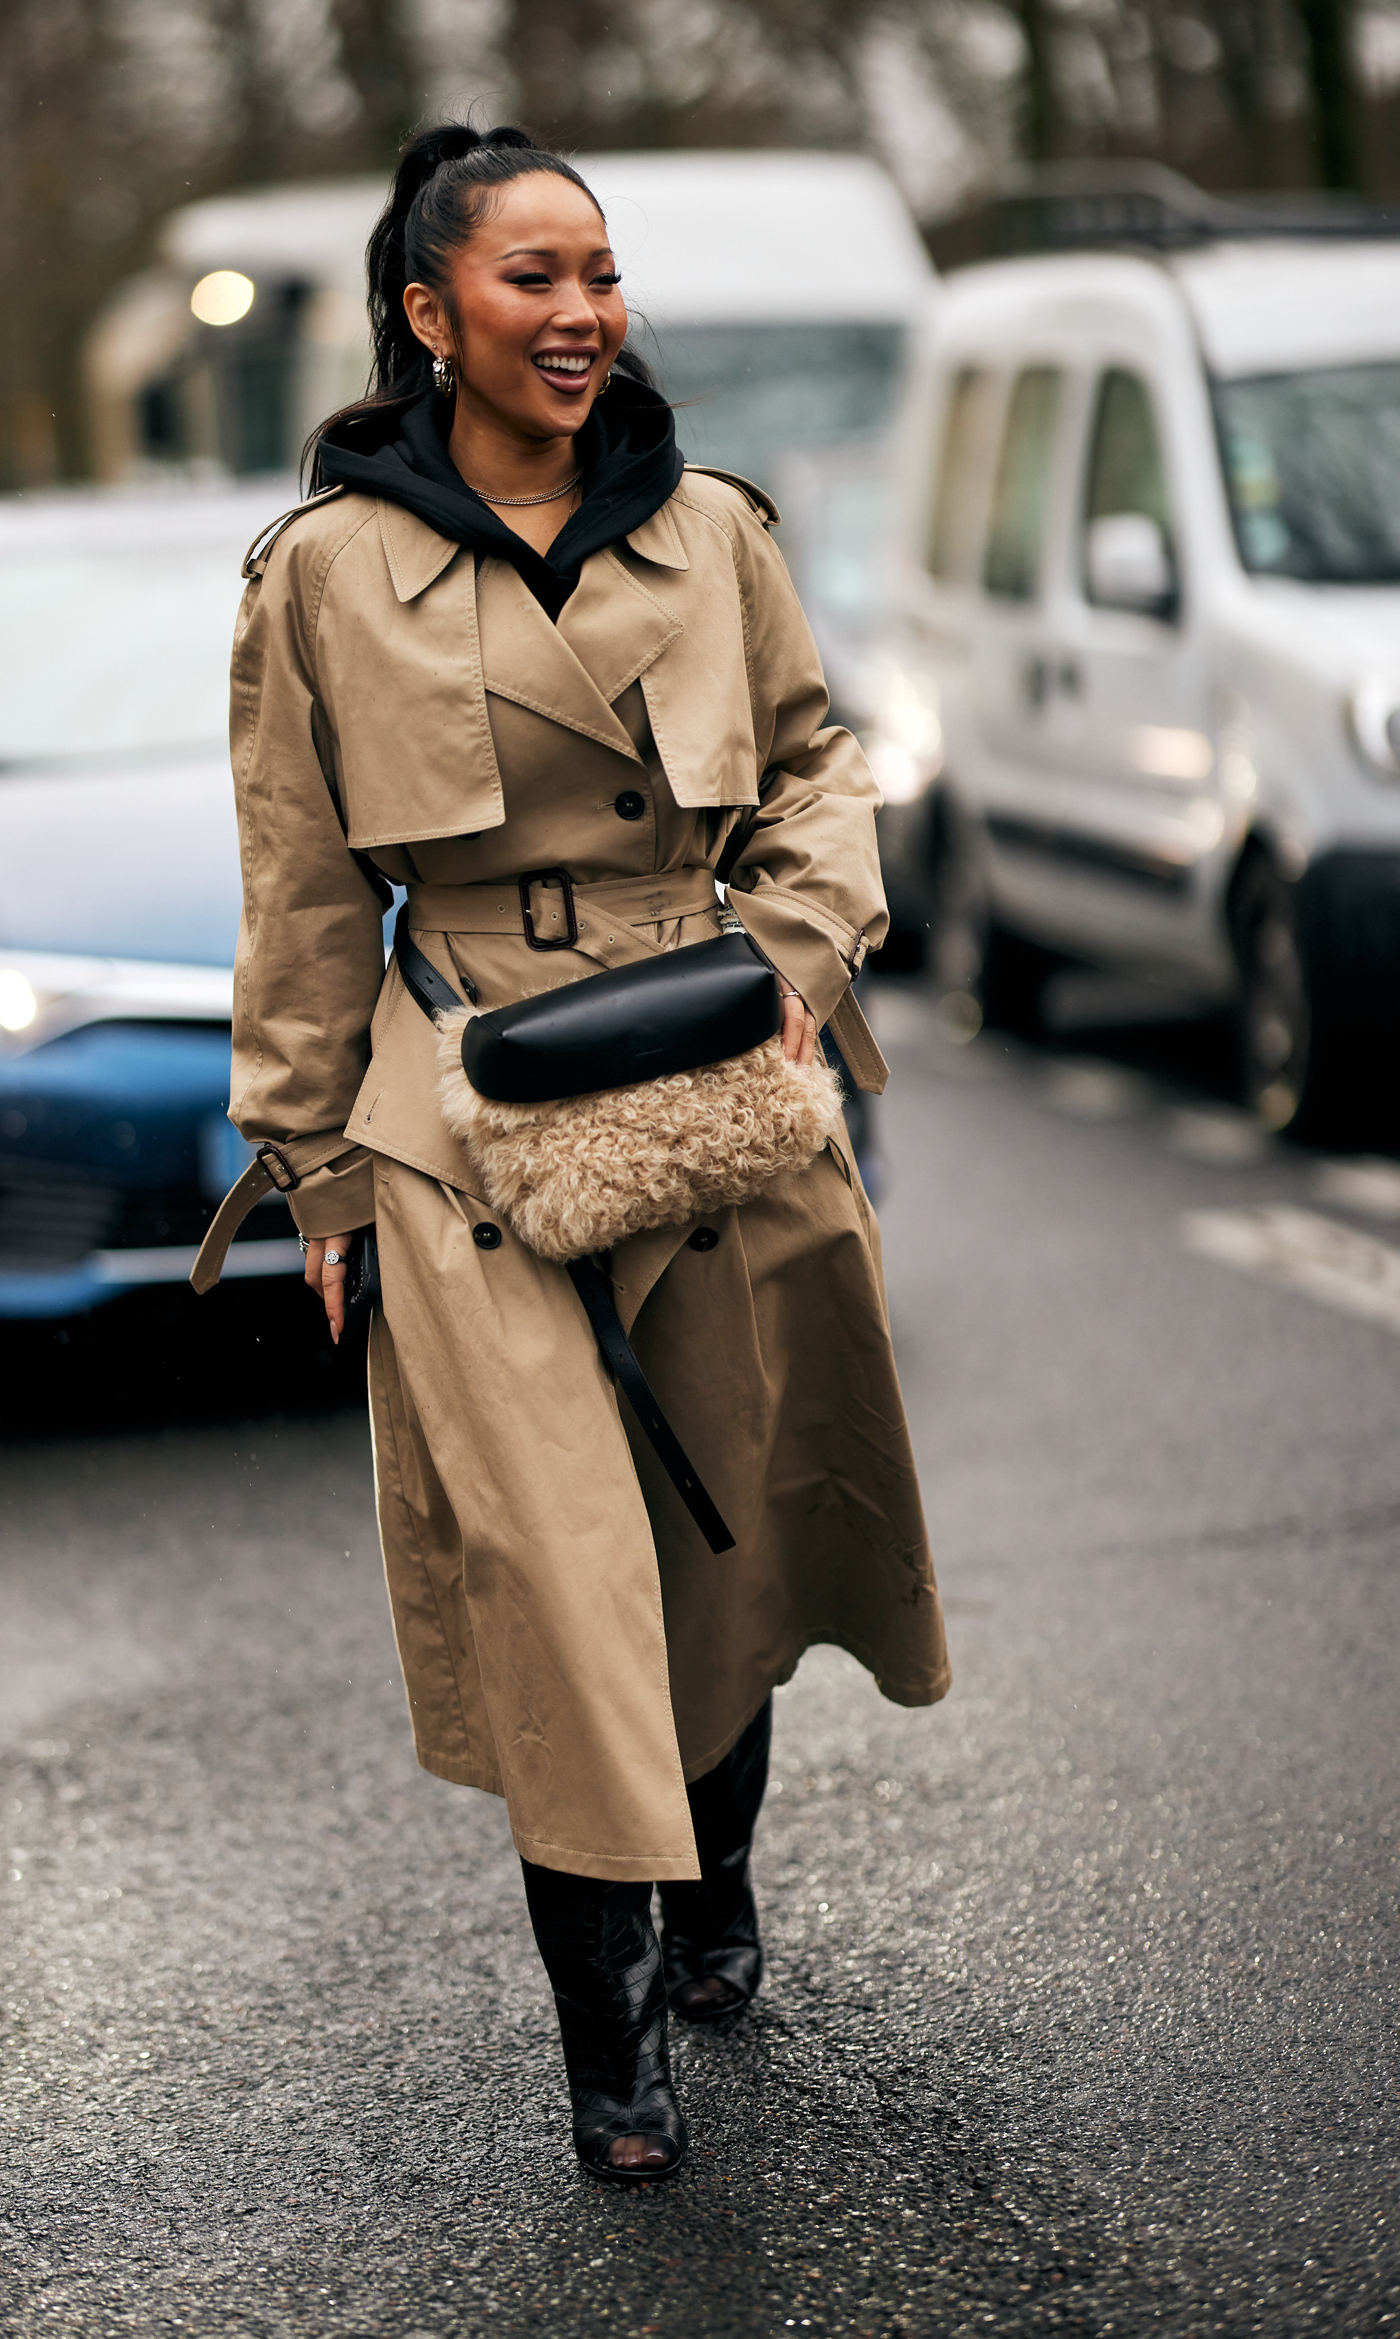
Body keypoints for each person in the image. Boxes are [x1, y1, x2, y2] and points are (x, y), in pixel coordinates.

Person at [213, 123, 949, 2184]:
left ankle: (715, 1877)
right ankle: (607, 2031)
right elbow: (293, 890)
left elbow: (813, 762)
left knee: (735, 1516)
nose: (579, 313)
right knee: (551, 1562)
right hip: (458, 1102)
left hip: (712, 1065)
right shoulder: (325, 573)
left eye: (600, 273)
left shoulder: (713, 530)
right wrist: (315, 1170)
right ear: (429, 313)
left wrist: (801, 947)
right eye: (530, 277)